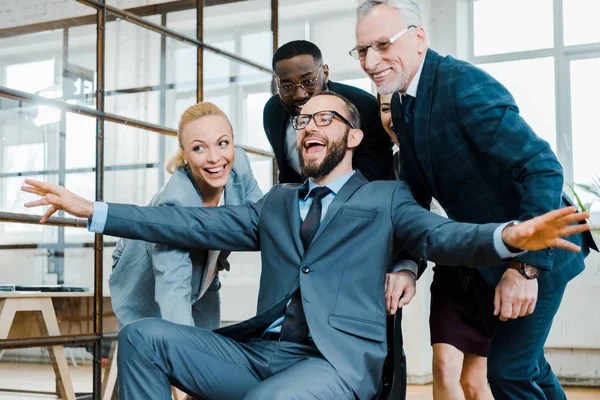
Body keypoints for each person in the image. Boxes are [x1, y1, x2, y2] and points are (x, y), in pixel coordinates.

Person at [21, 93, 590, 400]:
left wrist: (508, 238)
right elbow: (184, 225)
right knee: (144, 337)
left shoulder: (387, 199)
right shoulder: (275, 202)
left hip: (335, 364)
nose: (310, 125)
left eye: (326, 116)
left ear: (355, 135)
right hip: (262, 354)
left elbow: (441, 237)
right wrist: (89, 209)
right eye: (303, 119)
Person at [354, 1, 598, 399]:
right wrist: (406, 266)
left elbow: (542, 167)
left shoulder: (461, 85)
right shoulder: (401, 104)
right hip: (491, 260)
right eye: (362, 50)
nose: (370, 60)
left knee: (509, 372)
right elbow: (414, 198)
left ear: (419, 38)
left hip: (543, 249)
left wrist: (526, 269)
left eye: (382, 44)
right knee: (527, 366)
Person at [109, 102, 263, 328]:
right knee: (165, 346)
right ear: (184, 154)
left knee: (209, 351)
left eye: (223, 143)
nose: (214, 158)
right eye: (199, 148)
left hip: (203, 274)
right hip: (145, 277)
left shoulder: (239, 164)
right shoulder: (175, 202)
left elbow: (262, 219)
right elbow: (173, 287)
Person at [380, 91, 493, 399]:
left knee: (475, 382)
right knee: (443, 367)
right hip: (449, 274)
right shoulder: (391, 166)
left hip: (487, 273)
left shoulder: (455, 148)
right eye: (385, 108)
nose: (393, 116)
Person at [263, 39, 393, 183]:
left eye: (308, 81)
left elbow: (375, 175)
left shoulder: (365, 107)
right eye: (287, 86)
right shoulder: (273, 112)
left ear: (325, 72)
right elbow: (288, 177)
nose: (299, 94)